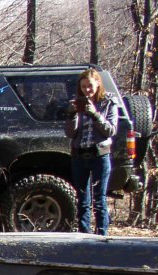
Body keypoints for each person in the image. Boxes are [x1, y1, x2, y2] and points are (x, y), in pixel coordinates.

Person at [65, 68, 118, 235]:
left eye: (89, 86)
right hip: (79, 156)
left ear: (97, 84)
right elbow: (70, 133)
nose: (86, 90)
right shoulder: (78, 103)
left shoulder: (108, 102)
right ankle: (84, 234)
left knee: (99, 199)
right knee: (82, 199)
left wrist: (94, 114)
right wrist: (72, 115)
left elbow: (110, 130)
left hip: (100, 155)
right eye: (83, 87)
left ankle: (102, 235)